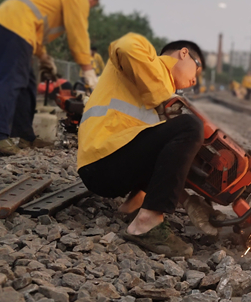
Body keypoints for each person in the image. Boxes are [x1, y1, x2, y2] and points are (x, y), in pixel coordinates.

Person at [77, 33, 207, 257]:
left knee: (180, 141)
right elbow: (125, 46)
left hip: (111, 170)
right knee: (190, 127)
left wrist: (191, 201)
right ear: (183, 53)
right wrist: (163, 97)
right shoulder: (147, 56)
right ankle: (147, 222)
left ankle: (132, 206)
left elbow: (160, 155)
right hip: (102, 158)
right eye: (197, 69)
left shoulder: (164, 90)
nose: (195, 80)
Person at [0, 0, 101, 155]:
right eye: (93, 5)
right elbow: (78, 34)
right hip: (15, 27)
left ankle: (26, 136)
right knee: (11, 79)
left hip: (14, 27)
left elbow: (38, 30)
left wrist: (43, 56)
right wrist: (87, 69)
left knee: (27, 84)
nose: (89, 8)